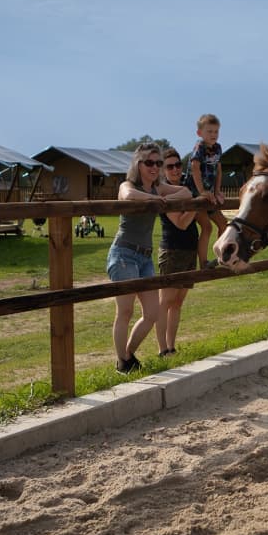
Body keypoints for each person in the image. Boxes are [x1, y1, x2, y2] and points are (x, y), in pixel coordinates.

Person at [107, 143, 191, 374]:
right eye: (149, 162)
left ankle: (126, 355)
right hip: (123, 253)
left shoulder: (159, 188)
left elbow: (185, 192)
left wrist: (164, 195)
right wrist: (154, 199)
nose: (155, 167)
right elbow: (128, 195)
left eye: (158, 163)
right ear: (138, 164)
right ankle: (123, 363)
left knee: (152, 313)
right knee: (125, 311)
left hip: (145, 257)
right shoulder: (129, 184)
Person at [156, 147, 199, 357]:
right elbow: (180, 223)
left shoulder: (186, 187)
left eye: (177, 165)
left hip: (189, 250)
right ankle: (162, 349)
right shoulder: (164, 192)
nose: (175, 170)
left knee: (178, 303)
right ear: (163, 170)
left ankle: (171, 347)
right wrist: (195, 206)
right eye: (170, 166)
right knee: (165, 302)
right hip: (172, 250)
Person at [184, 113, 228, 268]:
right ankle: (203, 262)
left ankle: (220, 257)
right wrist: (201, 191)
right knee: (207, 227)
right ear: (200, 133)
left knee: (224, 223)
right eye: (209, 131)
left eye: (216, 131)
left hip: (210, 195)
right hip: (196, 195)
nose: (213, 135)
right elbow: (195, 168)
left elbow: (219, 170)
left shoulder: (218, 148)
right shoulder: (199, 147)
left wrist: (217, 191)